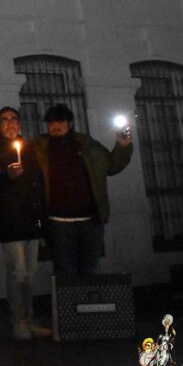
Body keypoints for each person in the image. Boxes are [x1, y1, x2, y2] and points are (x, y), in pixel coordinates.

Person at [29, 104, 132, 276]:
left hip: (89, 219)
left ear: (69, 123)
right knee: (63, 269)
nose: (55, 126)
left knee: (89, 268)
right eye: (51, 122)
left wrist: (123, 146)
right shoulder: (38, 148)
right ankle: (68, 303)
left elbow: (111, 166)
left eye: (60, 121)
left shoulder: (86, 144)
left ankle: (87, 302)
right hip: (57, 221)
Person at [0, 107, 50, 341]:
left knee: (30, 274)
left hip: (31, 221)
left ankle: (30, 319)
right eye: (5, 120)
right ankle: (18, 321)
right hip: (10, 222)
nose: (10, 124)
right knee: (17, 273)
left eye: (14, 120)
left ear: (19, 124)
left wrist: (41, 215)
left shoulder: (28, 150)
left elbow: (38, 182)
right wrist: (6, 177)